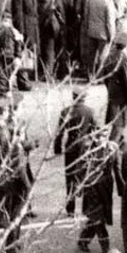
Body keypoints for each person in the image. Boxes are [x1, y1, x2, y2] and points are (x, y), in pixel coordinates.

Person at [53, 87, 98, 217]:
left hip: (71, 147)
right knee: (86, 177)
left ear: (73, 97)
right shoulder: (90, 111)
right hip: (85, 148)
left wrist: (57, 148)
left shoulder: (66, 112)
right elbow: (96, 130)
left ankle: (70, 209)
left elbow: (60, 133)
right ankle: (86, 208)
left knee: (70, 178)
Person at [99, 31, 127, 142]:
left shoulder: (109, 57)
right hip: (122, 97)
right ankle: (112, 147)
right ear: (126, 45)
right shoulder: (125, 59)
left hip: (112, 93)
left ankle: (117, 144)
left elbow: (105, 77)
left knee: (115, 122)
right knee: (119, 126)